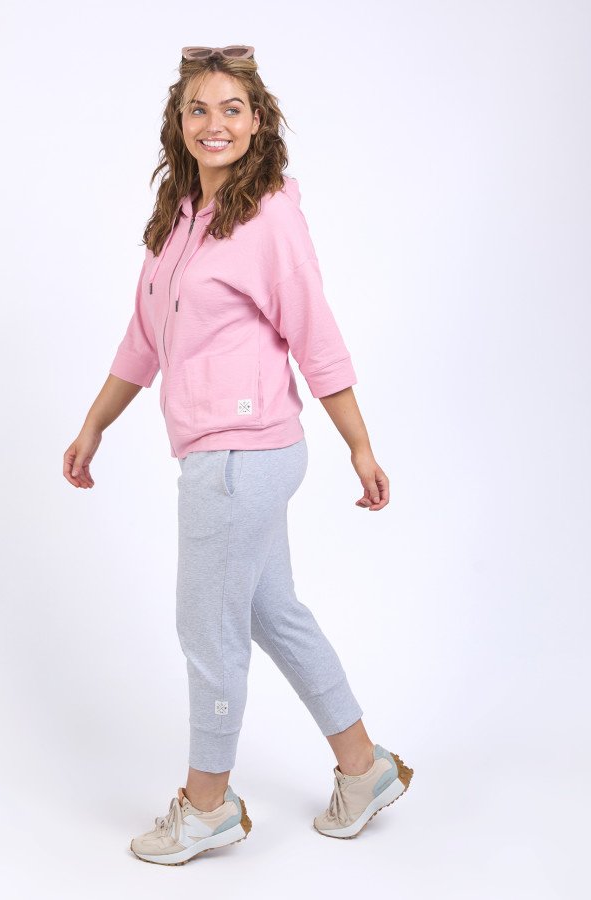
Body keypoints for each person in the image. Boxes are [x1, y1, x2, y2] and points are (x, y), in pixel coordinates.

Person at [63, 44, 413, 866]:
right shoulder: (180, 219)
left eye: (231, 108)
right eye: (198, 108)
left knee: (208, 631)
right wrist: (94, 425)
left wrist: (360, 443)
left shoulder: (270, 218)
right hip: (230, 459)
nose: (213, 123)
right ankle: (364, 768)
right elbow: (143, 339)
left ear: (258, 122)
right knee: (267, 612)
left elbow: (315, 335)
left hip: (239, 458)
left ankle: (207, 807)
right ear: (178, 123)